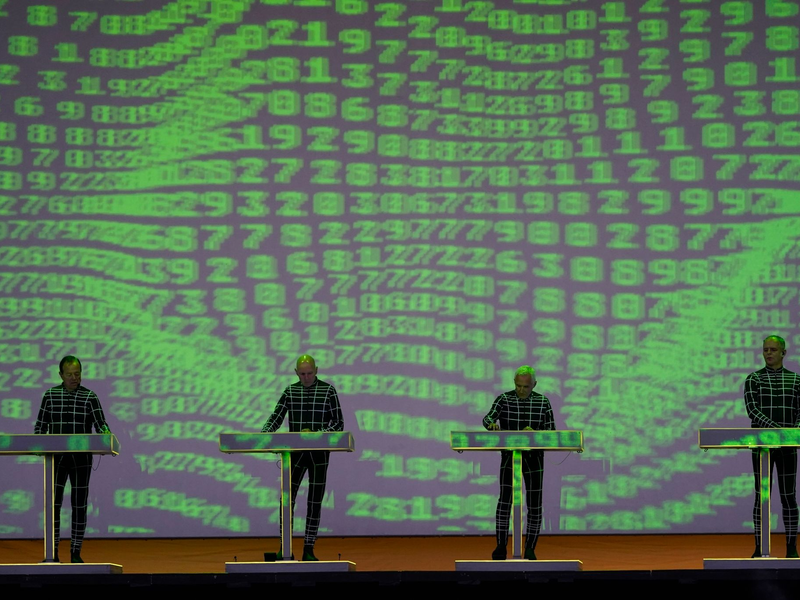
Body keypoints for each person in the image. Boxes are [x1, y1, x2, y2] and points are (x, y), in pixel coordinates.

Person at [261, 354, 343, 561]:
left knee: (315, 501)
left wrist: (317, 435)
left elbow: (338, 423)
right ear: (296, 373)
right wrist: (264, 435)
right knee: (286, 500)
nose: (306, 377)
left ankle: (309, 548)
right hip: (294, 453)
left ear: (317, 370)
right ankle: (285, 547)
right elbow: (276, 416)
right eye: (302, 374)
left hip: (319, 454)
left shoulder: (328, 391)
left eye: (309, 373)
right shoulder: (290, 391)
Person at [34, 356, 111, 563]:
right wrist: (38, 445)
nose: (74, 378)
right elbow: (39, 427)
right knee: (53, 505)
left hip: (81, 459)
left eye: (77, 374)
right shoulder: (50, 396)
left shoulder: (90, 397)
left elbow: (101, 425)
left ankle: (76, 552)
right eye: (69, 374)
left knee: (79, 505)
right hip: (56, 459)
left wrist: (106, 437)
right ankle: (53, 551)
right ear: (61, 375)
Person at [483, 365, 555, 560]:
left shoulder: (543, 402)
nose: (521, 390)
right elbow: (487, 418)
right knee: (505, 501)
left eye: (526, 387)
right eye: (518, 386)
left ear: (534, 385)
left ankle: (530, 547)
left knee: (534, 503)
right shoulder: (504, 399)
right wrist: (491, 424)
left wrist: (536, 434)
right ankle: (500, 545)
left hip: (534, 458)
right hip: (510, 456)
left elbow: (551, 431)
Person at [744, 335, 800, 559]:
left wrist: (793, 432)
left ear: (783, 352)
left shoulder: (796, 380)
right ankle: (759, 548)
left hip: (788, 446)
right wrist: (778, 430)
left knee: (789, 496)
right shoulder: (754, 379)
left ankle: (791, 548)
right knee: (761, 497)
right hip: (762, 446)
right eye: (765, 349)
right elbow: (752, 410)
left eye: (773, 350)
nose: (768, 353)